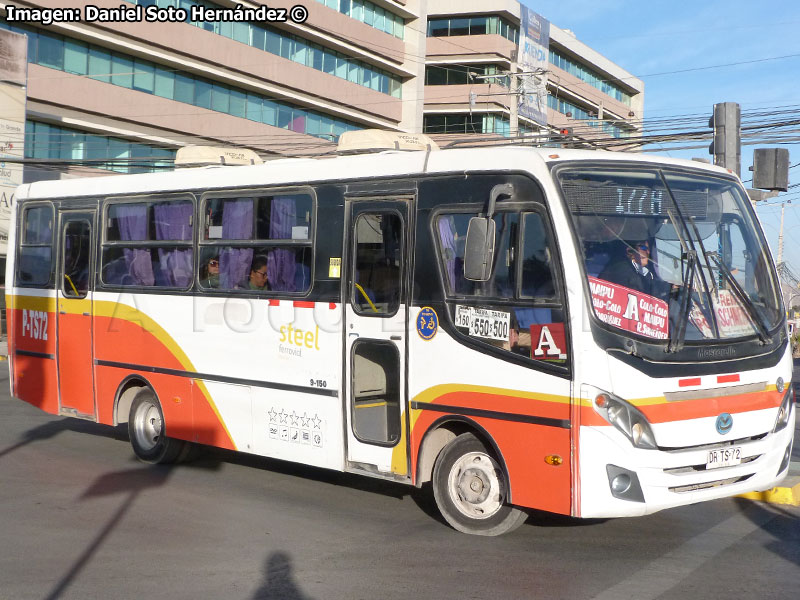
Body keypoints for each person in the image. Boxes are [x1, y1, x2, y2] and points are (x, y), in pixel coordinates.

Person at [599, 240, 672, 299]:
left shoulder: (641, 271)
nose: (648, 252)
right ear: (629, 251)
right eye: (644, 248)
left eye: (648, 249)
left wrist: (670, 287)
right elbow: (643, 295)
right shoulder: (621, 270)